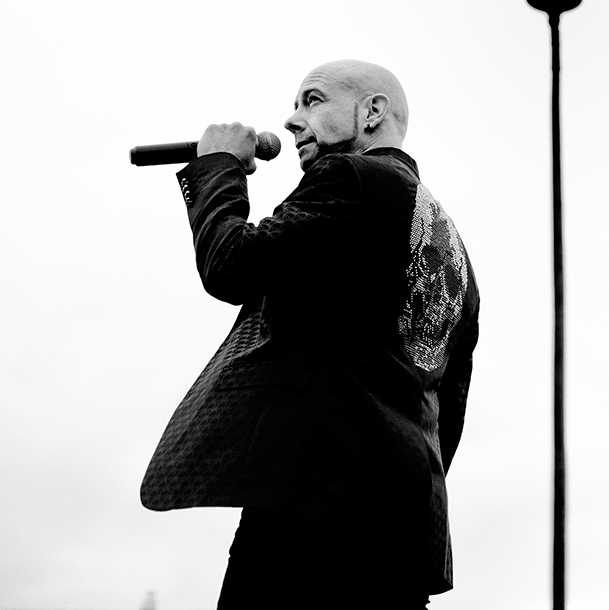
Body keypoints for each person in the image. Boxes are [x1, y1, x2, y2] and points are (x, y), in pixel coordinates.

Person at [140, 59, 480, 608]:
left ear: (371, 112)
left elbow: (232, 263)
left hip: (311, 512)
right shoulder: (455, 253)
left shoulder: (352, 177)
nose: (293, 120)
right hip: (403, 534)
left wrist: (218, 166)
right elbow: (448, 416)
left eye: (312, 100)